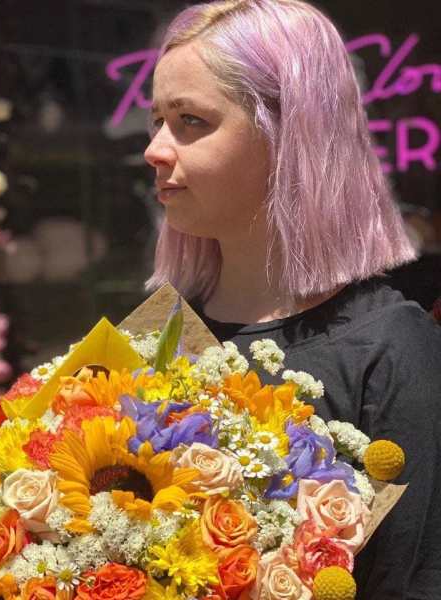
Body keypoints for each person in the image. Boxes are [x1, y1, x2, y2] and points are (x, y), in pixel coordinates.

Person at [143, 1, 441, 598]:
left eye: (190, 120)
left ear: (289, 134)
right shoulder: (158, 331)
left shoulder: (391, 349)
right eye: (157, 121)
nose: (155, 148)